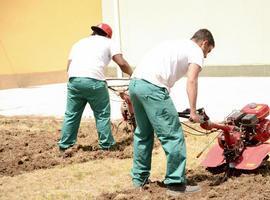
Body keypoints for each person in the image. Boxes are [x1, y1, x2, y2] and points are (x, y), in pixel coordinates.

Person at [128, 29, 214, 195]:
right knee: (173, 136)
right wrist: (194, 112)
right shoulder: (196, 50)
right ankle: (175, 184)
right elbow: (192, 80)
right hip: (153, 88)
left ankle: (139, 180)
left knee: (143, 134)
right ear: (204, 43)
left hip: (135, 84)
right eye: (208, 51)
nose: (206, 55)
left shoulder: (174, 44)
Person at [58, 23, 133, 151]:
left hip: (74, 80)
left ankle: (65, 145)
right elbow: (121, 63)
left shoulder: (78, 43)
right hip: (94, 82)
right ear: (108, 36)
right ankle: (106, 145)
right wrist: (134, 74)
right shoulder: (109, 42)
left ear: (94, 32)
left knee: (71, 114)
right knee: (102, 114)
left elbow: (68, 66)